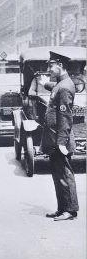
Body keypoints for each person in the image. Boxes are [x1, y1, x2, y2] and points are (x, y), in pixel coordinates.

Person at [40, 52, 79, 221]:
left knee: (64, 174)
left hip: (59, 139)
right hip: (54, 138)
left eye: (51, 66)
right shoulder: (60, 84)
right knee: (58, 175)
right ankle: (62, 208)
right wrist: (45, 84)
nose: (48, 69)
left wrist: (62, 142)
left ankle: (70, 210)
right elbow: (55, 88)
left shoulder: (64, 87)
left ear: (60, 66)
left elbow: (65, 117)